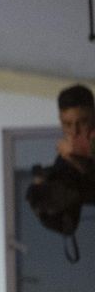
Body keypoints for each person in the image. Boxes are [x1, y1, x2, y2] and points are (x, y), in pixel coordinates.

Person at [27, 83, 95, 245]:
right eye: (67, 125)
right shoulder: (68, 152)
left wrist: (74, 159)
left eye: (83, 122)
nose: (75, 131)